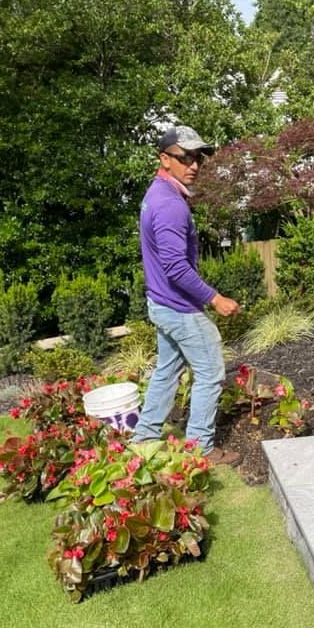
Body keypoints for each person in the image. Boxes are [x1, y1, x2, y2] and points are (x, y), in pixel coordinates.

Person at [132, 125, 241, 464]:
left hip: (162, 303)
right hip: (179, 307)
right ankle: (199, 450)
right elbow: (176, 268)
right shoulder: (170, 206)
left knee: (167, 370)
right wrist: (215, 298)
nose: (193, 165)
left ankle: (144, 439)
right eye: (185, 158)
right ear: (164, 159)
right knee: (210, 372)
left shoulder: (157, 194)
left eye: (198, 159)